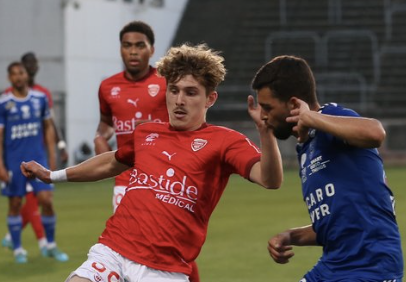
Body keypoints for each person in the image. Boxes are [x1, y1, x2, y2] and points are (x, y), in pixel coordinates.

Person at [21, 43, 283, 282]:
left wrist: (266, 134)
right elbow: (111, 162)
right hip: (113, 250)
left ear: (210, 99)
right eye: (174, 90)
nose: (180, 100)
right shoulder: (147, 133)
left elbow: (270, 179)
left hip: (164, 269)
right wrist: (53, 175)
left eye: (191, 93)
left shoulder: (225, 141)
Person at [250, 55, 403, 281]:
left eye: (267, 107)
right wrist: (290, 236)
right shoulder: (307, 147)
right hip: (335, 264)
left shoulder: (333, 117)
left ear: (293, 104)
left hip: (370, 265)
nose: (263, 115)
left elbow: (375, 132)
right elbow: (335, 223)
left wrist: (311, 117)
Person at [94, 21, 200, 282]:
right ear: (120, 49)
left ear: (152, 49)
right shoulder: (107, 87)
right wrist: (100, 137)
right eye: (127, 45)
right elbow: (106, 122)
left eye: (139, 45)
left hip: (165, 178)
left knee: (171, 247)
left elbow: (185, 124)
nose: (133, 51)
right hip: (126, 180)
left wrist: (156, 129)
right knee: (128, 248)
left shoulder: (167, 83)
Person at [0, 62, 69, 263]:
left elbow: (49, 128)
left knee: (47, 201)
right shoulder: (4, 103)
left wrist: (52, 157)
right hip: (13, 161)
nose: (18, 77)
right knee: (15, 203)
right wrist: (1, 166)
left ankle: (51, 245)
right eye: (14, 74)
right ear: (9, 78)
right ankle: (18, 249)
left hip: (38, 158)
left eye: (21, 72)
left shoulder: (40, 99)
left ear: (26, 75)